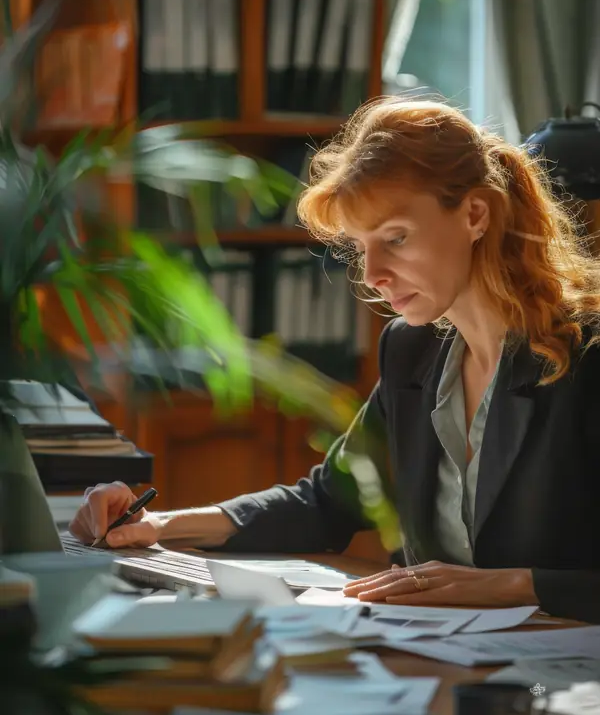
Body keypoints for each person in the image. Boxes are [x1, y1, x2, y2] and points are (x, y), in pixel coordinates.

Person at [70, 97, 600, 623]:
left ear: (474, 214)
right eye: (361, 246)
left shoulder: (588, 356)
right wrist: (158, 527)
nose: (373, 274)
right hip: (437, 653)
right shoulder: (412, 351)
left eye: (396, 238)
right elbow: (327, 501)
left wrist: (512, 586)